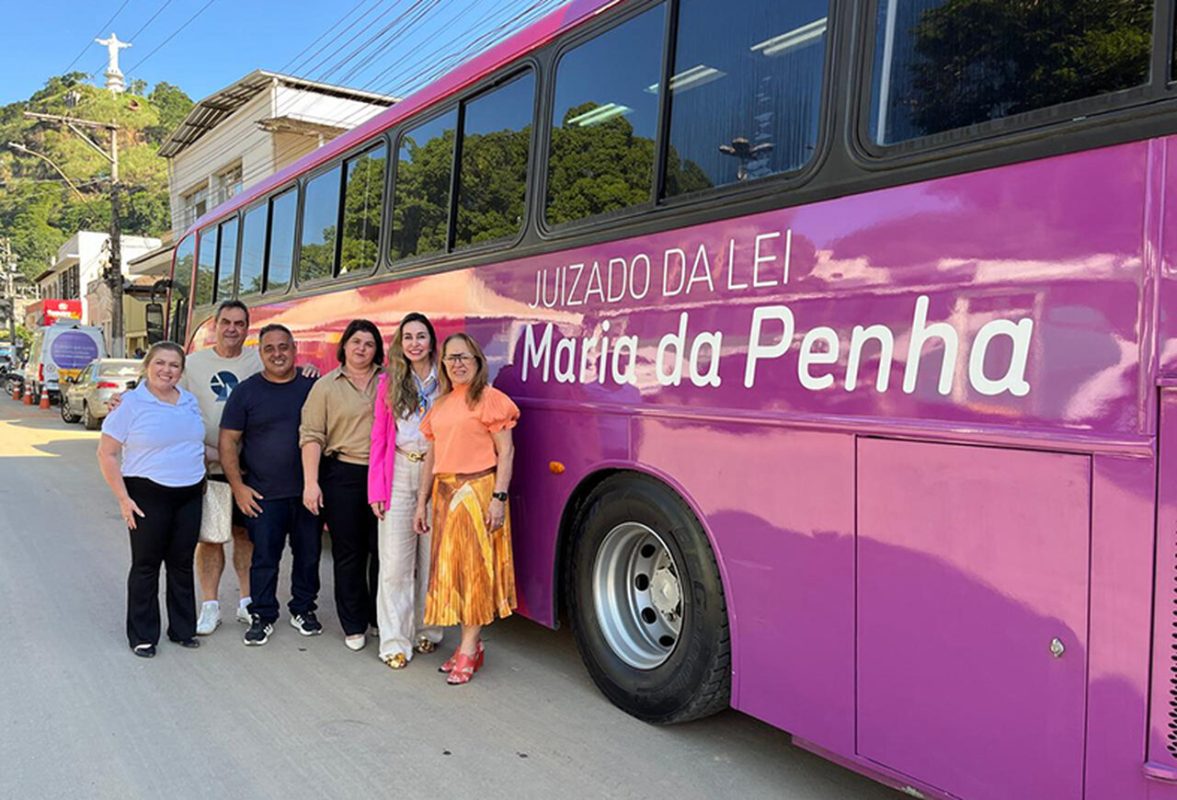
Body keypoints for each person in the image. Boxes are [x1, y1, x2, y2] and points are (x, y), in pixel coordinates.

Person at [178, 299, 319, 635]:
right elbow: (162, 392)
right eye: (226, 322)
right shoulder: (193, 364)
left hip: (252, 471)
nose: (232, 329)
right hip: (210, 465)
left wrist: (312, 367)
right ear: (215, 325)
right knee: (211, 538)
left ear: (247, 328)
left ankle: (247, 602)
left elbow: (290, 368)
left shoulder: (259, 359)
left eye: (239, 324)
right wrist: (123, 399)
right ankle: (210, 606)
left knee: (247, 538)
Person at [413, 332, 519, 685]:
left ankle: (470, 648)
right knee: (453, 573)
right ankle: (467, 646)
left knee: (474, 573)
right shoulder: (441, 404)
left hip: (478, 492)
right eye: (450, 358)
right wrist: (421, 502)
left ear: (477, 362)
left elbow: (506, 452)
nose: (457, 364)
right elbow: (431, 455)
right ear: (442, 364)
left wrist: (499, 498)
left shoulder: (490, 400)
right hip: (445, 495)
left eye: (464, 357)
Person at [96, 342, 206, 658]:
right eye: (160, 363)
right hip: (147, 494)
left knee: (182, 564)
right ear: (147, 366)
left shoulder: (189, 401)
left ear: (181, 371)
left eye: (173, 365)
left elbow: (195, 443)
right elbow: (107, 453)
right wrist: (122, 498)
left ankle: (183, 629)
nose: (166, 370)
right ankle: (143, 635)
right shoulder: (130, 403)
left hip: (189, 493)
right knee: (146, 566)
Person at [219, 324, 321, 646]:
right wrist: (238, 488)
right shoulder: (246, 392)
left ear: (294, 349)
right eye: (269, 348)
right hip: (263, 494)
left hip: (307, 492)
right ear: (260, 353)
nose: (277, 354)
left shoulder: (312, 387)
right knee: (264, 558)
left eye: (283, 347)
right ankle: (262, 615)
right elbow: (227, 442)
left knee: (309, 556)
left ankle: (303, 609)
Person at [300, 319, 383, 651]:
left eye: (369, 343)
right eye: (356, 342)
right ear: (344, 346)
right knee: (349, 552)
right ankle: (353, 622)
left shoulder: (390, 382)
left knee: (383, 551)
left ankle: (380, 617)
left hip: (384, 474)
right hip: (343, 475)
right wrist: (311, 482)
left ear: (377, 350)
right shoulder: (325, 386)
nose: (361, 348)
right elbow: (311, 435)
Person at [369, 313, 443, 669]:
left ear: (431, 341)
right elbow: (379, 438)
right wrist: (376, 490)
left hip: (438, 472)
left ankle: (428, 628)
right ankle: (395, 640)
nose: (415, 343)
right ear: (401, 343)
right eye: (408, 337)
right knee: (396, 563)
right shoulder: (391, 381)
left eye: (421, 336)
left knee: (432, 558)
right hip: (399, 469)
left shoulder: (446, 380)